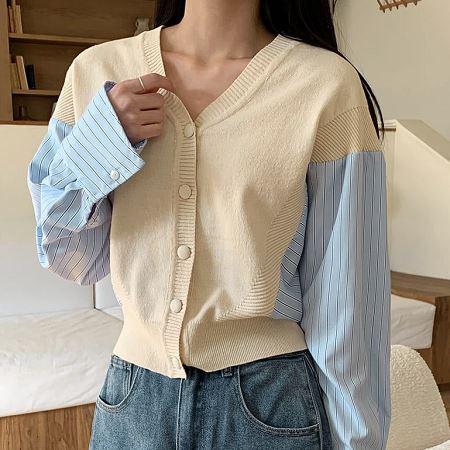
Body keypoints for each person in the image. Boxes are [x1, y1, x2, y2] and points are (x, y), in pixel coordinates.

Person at [26, 0, 391, 449]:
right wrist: (103, 141)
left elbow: (347, 302)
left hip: (271, 404)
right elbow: (68, 256)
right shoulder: (96, 71)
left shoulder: (326, 84)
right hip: (133, 402)